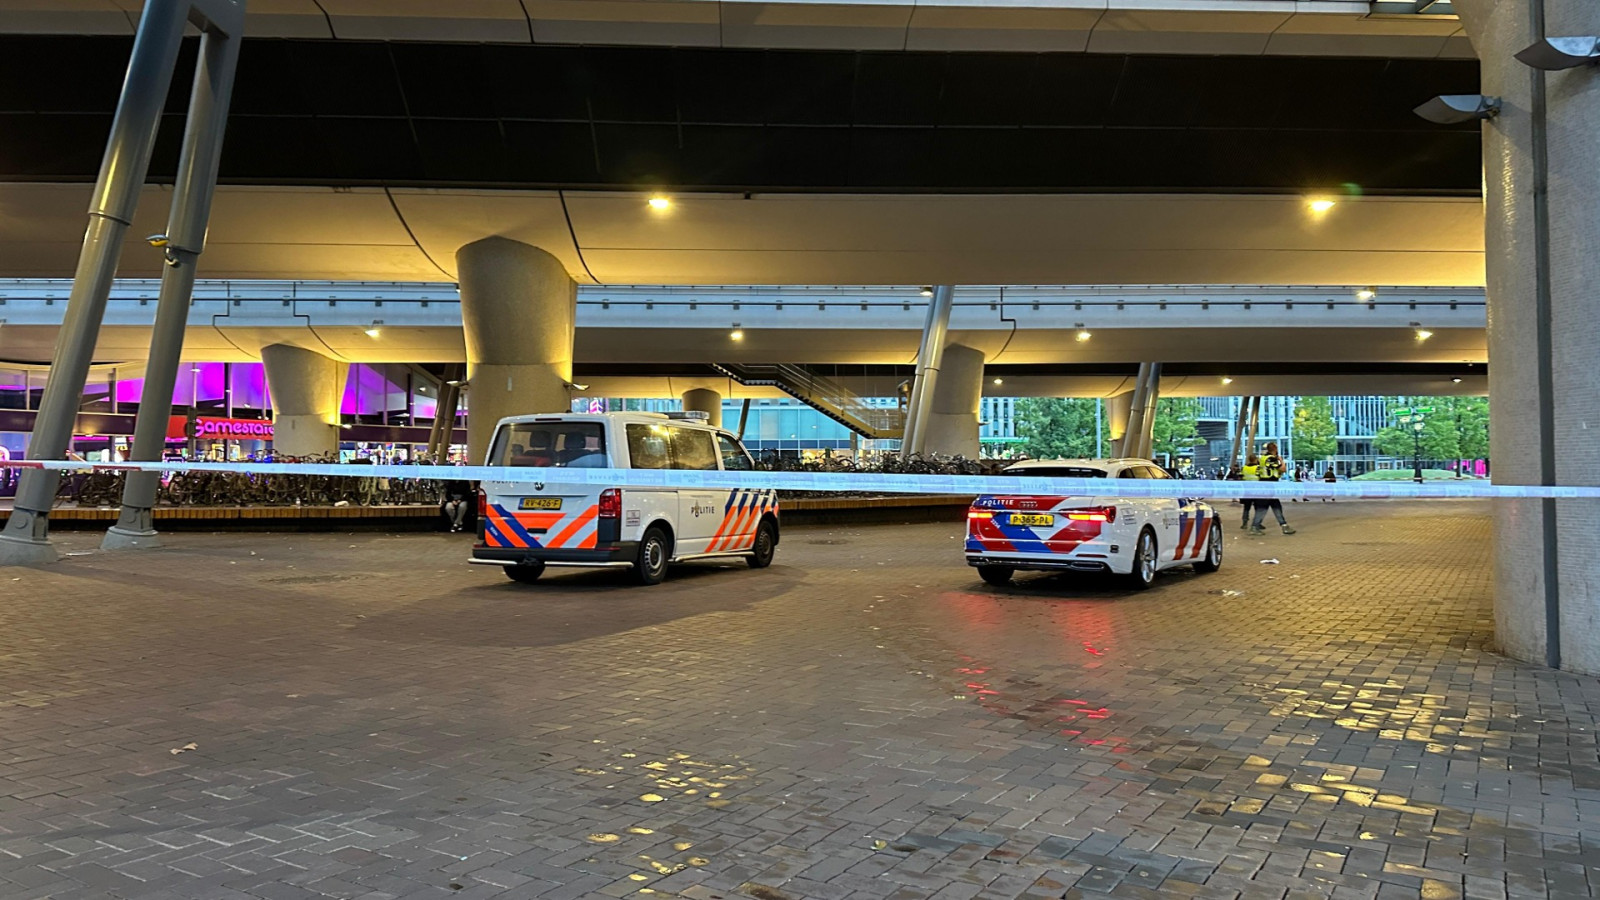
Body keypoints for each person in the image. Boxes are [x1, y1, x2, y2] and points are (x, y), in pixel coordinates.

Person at [1250, 442, 1295, 535]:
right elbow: (1282, 469)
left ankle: (1284, 525)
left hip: (1264, 484)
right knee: (1263, 507)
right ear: (1275, 449)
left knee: (1275, 505)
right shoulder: (1271, 459)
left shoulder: (1262, 458)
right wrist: (1281, 460)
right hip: (1269, 485)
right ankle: (1254, 527)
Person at [1238, 456, 1259, 529]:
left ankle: (1244, 523)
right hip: (1256, 490)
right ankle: (1257, 523)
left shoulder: (1244, 468)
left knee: (1246, 508)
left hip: (1247, 490)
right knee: (1257, 507)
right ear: (1256, 460)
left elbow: (1240, 477)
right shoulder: (1257, 468)